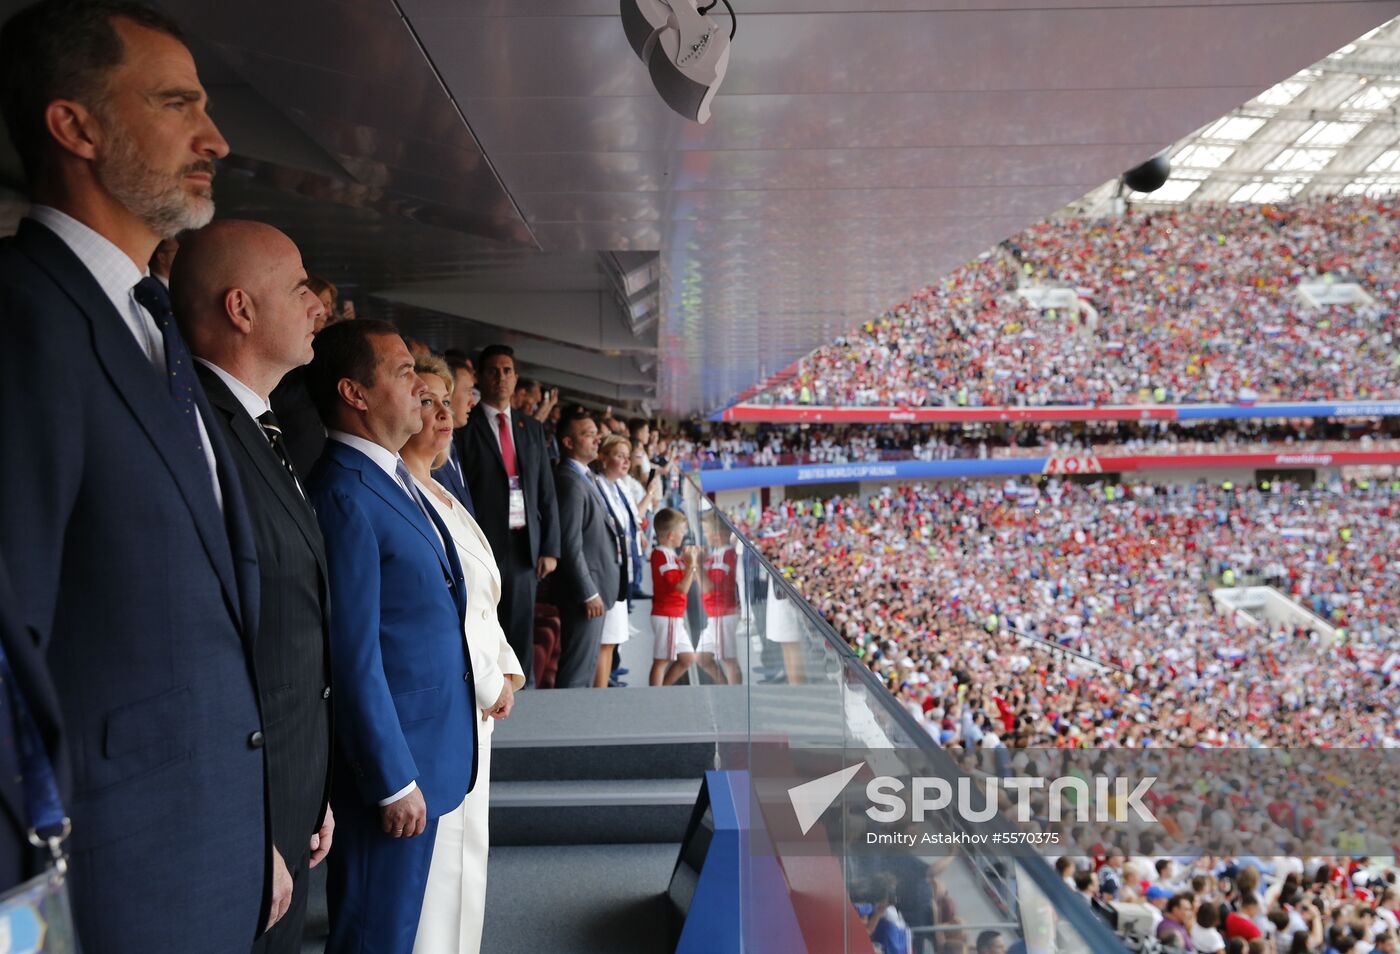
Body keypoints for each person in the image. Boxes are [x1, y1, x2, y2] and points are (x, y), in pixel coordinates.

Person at [0, 1, 268, 948]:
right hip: (109, 889)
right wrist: (25, 925)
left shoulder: (149, 323)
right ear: (75, 126)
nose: (217, 138)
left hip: (209, 853)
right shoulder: (23, 320)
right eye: (176, 103)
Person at [173, 220, 336, 953]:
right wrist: (252, 825)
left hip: (290, 789)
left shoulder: (259, 425)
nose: (318, 308)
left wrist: (313, 785)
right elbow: (202, 648)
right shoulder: (196, 431)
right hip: (246, 813)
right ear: (241, 310)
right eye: (301, 290)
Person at [305, 320, 479, 954]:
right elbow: (352, 656)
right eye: (404, 373)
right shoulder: (345, 492)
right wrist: (392, 779)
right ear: (354, 392)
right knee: (373, 935)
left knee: (396, 929)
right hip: (395, 769)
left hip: (428, 750)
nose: (421, 387)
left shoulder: (391, 477)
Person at [399, 355, 521, 954]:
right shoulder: (402, 494)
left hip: (476, 702)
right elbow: (442, 608)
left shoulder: (442, 492)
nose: (445, 415)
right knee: (442, 865)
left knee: (470, 852)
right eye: (427, 402)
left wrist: (506, 669)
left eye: (448, 404)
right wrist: (490, 680)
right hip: (449, 703)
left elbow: (483, 602)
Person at [459, 344, 560, 687]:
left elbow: (546, 488)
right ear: (480, 377)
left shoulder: (530, 427)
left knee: (521, 627)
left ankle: (525, 693)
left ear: (515, 378)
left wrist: (551, 547)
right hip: (483, 544)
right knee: (486, 626)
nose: (500, 377)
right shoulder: (465, 427)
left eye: (507, 371)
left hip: (524, 544)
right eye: (493, 371)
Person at [551, 407, 624, 689]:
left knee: (588, 663)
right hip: (585, 595)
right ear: (568, 443)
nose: (597, 440)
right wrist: (588, 591)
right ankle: (567, 729)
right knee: (577, 671)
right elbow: (570, 544)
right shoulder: (569, 481)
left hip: (596, 590)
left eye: (597, 434)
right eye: (589, 435)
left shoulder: (585, 475)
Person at [594, 433, 640, 687]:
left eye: (627, 457)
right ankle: (599, 694)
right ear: (603, 458)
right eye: (619, 456)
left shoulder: (617, 487)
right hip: (608, 572)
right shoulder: (598, 486)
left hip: (622, 570)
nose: (625, 462)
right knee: (607, 640)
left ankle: (605, 682)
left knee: (612, 640)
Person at [650, 507, 701, 686]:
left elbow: (691, 577)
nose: (683, 535)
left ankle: (663, 689)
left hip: (674, 615)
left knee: (687, 658)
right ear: (671, 535)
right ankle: (655, 700)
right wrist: (691, 564)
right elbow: (682, 588)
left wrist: (694, 562)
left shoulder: (670, 555)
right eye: (682, 531)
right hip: (667, 615)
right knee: (661, 661)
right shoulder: (662, 555)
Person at [433, 353, 476, 515]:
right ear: (448, 393)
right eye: (468, 391)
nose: (472, 401)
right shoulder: (430, 455)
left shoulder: (452, 446)